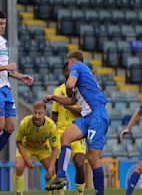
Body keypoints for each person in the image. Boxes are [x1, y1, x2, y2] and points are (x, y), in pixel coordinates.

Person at [43, 50, 108, 195]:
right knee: (65, 137)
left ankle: (100, 193)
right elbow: (71, 100)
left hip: (97, 115)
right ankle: (61, 177)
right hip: (87, 116)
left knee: (93, 157)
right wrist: (53, 97)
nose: (69, 68)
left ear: (73, 62)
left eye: (69, 64)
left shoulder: (78, 67)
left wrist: (68, 89)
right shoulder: (83, 78)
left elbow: (69, 84)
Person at [0, 10, 33, 182]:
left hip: (5, 86)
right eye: (0, 23)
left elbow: (7, 69)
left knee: (10, 126)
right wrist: (7, 68)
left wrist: (20, 76)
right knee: (0, 124)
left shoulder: (4, 42)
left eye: (4, 24)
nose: (3, 26)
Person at [51, 63, 86, 195]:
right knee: (58, 165)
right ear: (65, 73)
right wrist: (49, 130)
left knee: (80, 163)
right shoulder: (57, 91)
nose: (70, 73)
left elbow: (84, 112)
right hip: (60, 132)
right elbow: (54, 114)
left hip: (77, 131)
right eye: (68, 71)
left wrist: (68, 106)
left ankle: (79, 193)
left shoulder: (81, 91)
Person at [14, 101, 59, 195]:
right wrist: (27, 160)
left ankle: (50, 193)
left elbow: (55, 148)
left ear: (45, 113)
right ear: (32, 112)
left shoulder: (51, 126)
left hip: (42, 148)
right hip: (26, 146)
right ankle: (19, 193)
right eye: (35, 113)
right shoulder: (25, 123)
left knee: (52, 171)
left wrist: (50, 168)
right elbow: (18, 142)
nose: (37, 116)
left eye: (40, 113)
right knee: (19, 166)